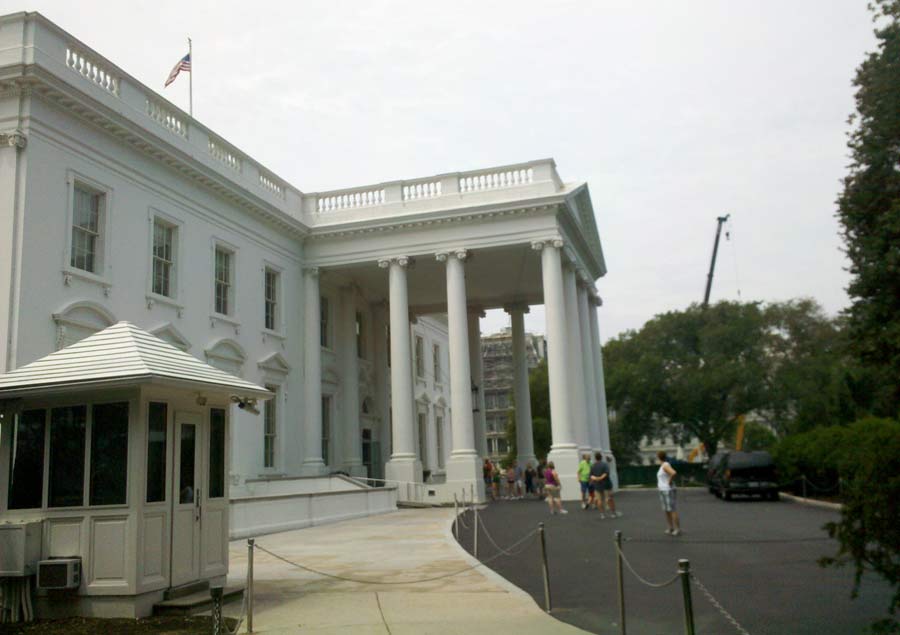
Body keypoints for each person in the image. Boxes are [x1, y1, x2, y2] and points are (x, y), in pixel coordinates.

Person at [657, 450, 680, 536]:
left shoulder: (665, 465)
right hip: (663, 490)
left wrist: (669, 482)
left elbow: (673, 473)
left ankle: (677, 529)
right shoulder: (662, 466)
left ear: (659, 457)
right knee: (666, 510)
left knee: (672, 510)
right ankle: (671, 527)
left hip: (668, 490)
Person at [590, 452, 620, 518]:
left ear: (595, 458)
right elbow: (606, 473)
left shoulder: (593, 466)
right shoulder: (605, 464)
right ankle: (613, 513)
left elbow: (591, 475)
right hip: (606, 484)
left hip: (597, 485)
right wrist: (600, 478)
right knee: (609, 499)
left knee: (599, 500)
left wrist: (596, 478)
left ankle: (602, 514)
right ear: (601, 457)